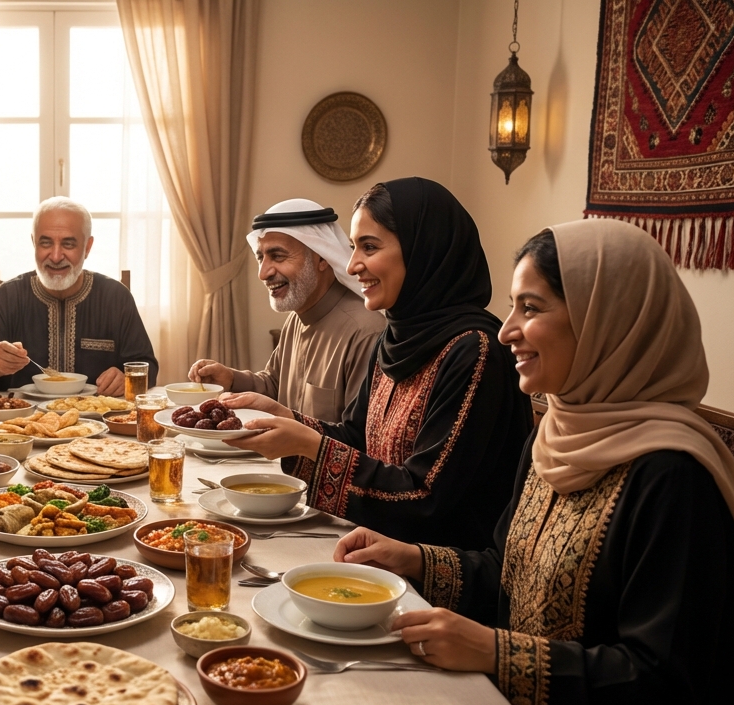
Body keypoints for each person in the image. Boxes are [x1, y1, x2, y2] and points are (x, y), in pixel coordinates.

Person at [333, 219, 734, 705]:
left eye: (530, 309)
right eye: (512, 307)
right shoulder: (555, 433)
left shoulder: (673, 476)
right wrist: (412, 558)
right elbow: (508, 571)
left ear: (608, 321)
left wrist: (494, 653)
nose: (506, 330)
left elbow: (662, 683)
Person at [228, 178, 532, 551]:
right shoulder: (397, 337)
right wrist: (288, 421)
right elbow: (359, 438)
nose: (353, 265)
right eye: (354, 247)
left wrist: (312, 446)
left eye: (369, 247)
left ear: (424, 249)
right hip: (376, 549)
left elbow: (425, 498)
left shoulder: (474, 351)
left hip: (436, 581)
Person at [187, 199, 385, 422]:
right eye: (261, 257)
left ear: (322, 257)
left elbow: (359, 438)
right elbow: (274, 384)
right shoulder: (297, 317)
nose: (263, 273)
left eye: (278, 256)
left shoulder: (365, 332)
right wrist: (231, 379)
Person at [0, 197, 159, 395]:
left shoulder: (116, 297)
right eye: (45, 243)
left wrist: (125, 377)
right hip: (21, 420)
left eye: (68, 244)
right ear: (33, 243)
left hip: (99, 421)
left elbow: (147, 366)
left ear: (87, 247)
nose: (55, 256)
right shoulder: (7, 297)